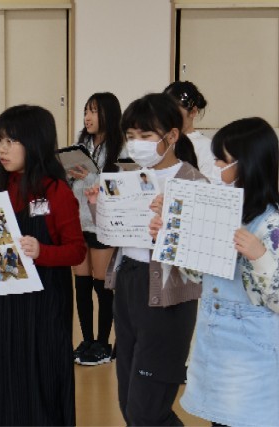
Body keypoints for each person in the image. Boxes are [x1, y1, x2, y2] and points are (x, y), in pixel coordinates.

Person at [0, 104, 87, 425]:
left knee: (38, 382)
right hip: (0, 305)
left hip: (42, 307)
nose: (2, 149)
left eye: (11, 141)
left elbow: (77, 251)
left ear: (36, 142)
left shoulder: (56, 191)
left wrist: (42, 251)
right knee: (0, 382)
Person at [86, 93, 204, 426]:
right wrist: (99, 207)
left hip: (167, 294)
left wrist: (169, 229)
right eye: (131, 136)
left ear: (172, 136)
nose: (136, 144)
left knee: (146, 407)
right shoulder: (131, 178)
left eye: (146, 135)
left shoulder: (193, 182)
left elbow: (201, 255)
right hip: (128, 281)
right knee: (128, 400)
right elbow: (113, 233)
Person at [162, 117, 279, 427]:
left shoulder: (272, 224)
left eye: (222, 160)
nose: (215, 167)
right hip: (215, 343)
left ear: (248, 164)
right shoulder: (221, 213)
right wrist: (171, 236)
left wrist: (260, 256)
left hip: (253, 353)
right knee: (219, 421)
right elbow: (199, 276)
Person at [69, 92, 125, 366]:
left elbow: (119, 187)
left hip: (103, 223)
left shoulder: (121, 148)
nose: (87, 117)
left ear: (108, 115)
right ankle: (87, 340)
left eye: (93, 111)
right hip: (78, 221)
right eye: (85, 111)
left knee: (102, 285)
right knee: (81, 285)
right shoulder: (81, 146)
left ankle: (103, 342)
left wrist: (91, 176)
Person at [163, 81, 214, 177]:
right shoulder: (159, 141)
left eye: (175, 112)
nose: (169, 117)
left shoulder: (206, 147)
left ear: (193, 112)